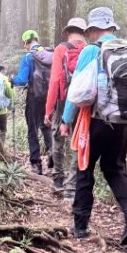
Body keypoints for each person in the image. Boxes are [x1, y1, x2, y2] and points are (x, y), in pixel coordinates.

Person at [61, 7, 127, 246]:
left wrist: (67, 120)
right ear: (112, 27)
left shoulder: (92, 51)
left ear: (94, 30)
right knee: (115, 168)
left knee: (84, 168)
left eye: (90, 31)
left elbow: (77, 90)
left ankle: (80, 225)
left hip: (95, 120)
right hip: (122, 121)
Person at [44, 17, 87, 199]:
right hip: (85, 101)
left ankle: (58, 179)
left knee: (58, 138)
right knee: (80, 139)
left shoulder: (61, 49)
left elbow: (55, 81)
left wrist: (48, 110)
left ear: (68, 32)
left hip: (64, 98)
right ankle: (73, 185)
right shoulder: (90, 49)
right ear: (83, 32)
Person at [11, 30, 53, 174]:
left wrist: (12, 79)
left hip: (34, 96)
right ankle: (53, 156)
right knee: (47, 126)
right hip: (49, 97)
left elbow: (22, 80)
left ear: (26, 42)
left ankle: (36, 164)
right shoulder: (49, 54)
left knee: (32, 129)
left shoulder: (28, 57)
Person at [0, 64, 14, 159]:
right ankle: (1, 149)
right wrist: (12, 82)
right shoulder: (4, 78)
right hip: (2, 110)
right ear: (3, 70)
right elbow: (10, 94)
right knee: (2, 130)